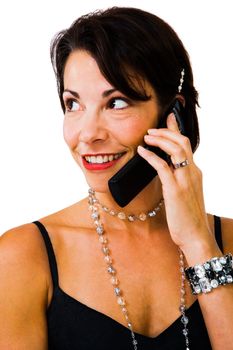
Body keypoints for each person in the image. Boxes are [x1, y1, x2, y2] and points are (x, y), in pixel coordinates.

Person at [0, 6, 232, 350]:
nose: (87, 133)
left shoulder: (224, 241)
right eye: (73, 104)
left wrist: (199, 244)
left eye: (117, 102)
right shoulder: (23, 256)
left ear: (174, 115)